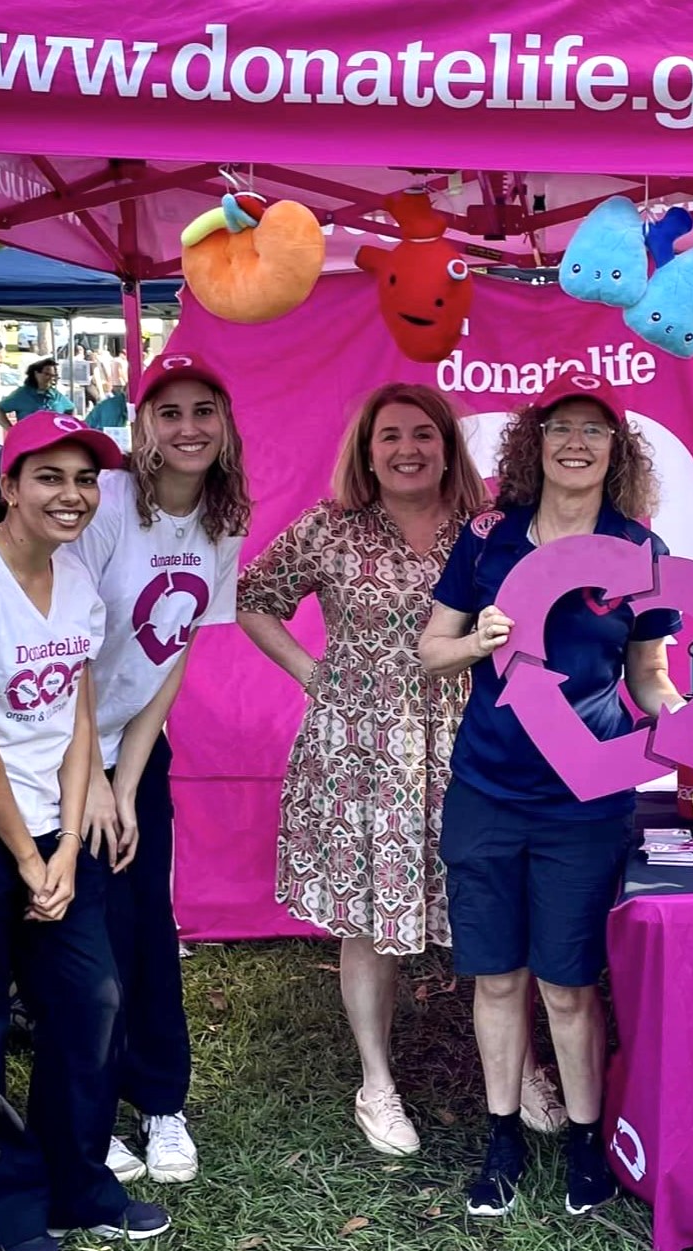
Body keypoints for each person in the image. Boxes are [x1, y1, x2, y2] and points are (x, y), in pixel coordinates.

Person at [418, 370, 693, 1218]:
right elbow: (430, 651)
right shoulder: (488, 537)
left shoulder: (639, 550)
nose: (576, 442)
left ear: (617, 449)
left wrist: (692, 728)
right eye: (561, 424)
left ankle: (588, 1143)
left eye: (596, 429)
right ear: (535, 438)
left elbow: (651, 677)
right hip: (486, 787)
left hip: (584, 799)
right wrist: (478, 640)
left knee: (567, 982)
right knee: (495, 976)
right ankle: (502, 1137)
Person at [237, 384, 561, 1158]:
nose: (407, 448)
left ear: (448, 445)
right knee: (368, 918)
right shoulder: (331, 527)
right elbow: (253, 597)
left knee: (492, 909)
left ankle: (522, 1066)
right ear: (367, 448)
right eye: (390, 436)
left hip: (473, 737)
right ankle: (376, 1081)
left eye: (423, 434)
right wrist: (314, 676)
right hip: (360, 747)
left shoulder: (489, 531)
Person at [0, 413, 170, 1251]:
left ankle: (78, 1182)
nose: (70, 496)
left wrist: (68, 840)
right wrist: (29, 858)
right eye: (49, 478)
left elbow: (76, 715)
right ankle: (3, 1202)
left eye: (84, 480)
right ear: (8, 486)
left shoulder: (75, 579)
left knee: (92, 1003)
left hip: (53, 826)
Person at [62, 352, 251, 1187]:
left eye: (202, 410)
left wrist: (130, 781)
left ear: (225, 422)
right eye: (168, 413)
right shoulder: (105, 505)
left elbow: (171, 657)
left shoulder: (222, 519)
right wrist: (93, 782)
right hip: (56, 748)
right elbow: (66, 651)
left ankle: (161, 1103)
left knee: (146, 928)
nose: (188, 428)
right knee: (82, 940)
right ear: (143, 426)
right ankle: (92, 1116)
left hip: (132, 748)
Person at [0, 358, 73, 433]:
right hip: (29, 442)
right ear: (36, 373)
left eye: (53, 376)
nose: (50, 378)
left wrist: (66, 428)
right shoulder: (21, 394)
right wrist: (11, 430)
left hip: (54, 443)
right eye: (47, 374)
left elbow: (70, 408)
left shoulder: (56, 395)